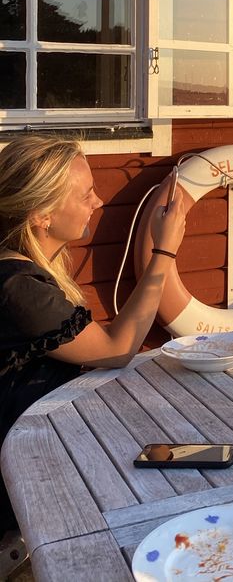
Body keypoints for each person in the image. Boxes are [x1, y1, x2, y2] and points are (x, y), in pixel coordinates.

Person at [0, 135, 186, 572]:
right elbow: (117, 348)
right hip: (21, 469)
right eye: (85, 194)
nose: (98, 202)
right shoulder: (17, 288)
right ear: (41, 215)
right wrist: (165, 249)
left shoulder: (22, 267)